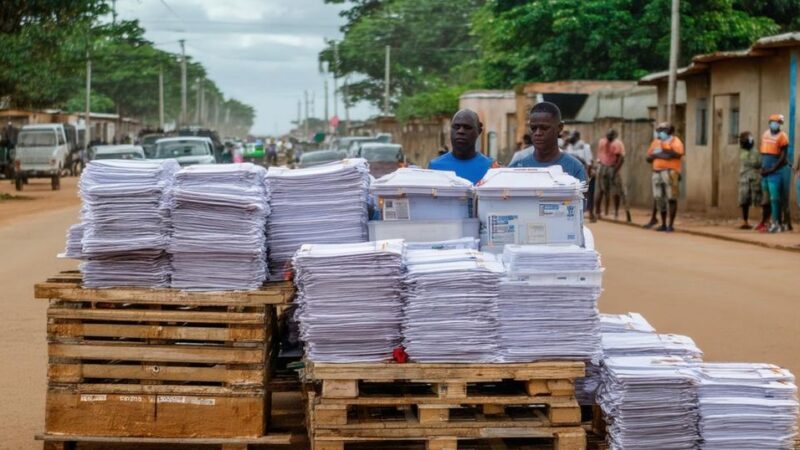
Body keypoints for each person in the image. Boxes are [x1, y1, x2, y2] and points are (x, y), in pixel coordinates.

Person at [509, 102, 587, 182]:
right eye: (533, 128)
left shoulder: (575, 168)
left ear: (560, 127)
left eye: (544, 128)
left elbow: (582, 194)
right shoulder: (517, 168)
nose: (538, 133)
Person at [428, 109, 498, 184]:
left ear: (479, 131)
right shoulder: (435, 167)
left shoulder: (492, 168)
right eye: (456, 127)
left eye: (467, 127)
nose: (460, 131)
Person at [645, 122, 684, 232]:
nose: (661, 132)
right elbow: (648, 157)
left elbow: (678, 154)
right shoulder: (655, 142)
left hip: (671, 172)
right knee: (659, 198)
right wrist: (658, 155)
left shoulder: (676, 142)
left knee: (671, 198)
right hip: (657, 172)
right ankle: (663, 223)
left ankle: (670, 224)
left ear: (670, 131)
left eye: (664, 130)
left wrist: (662, 151)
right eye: (660, 130)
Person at [759, 114, 791, 233]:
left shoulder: (783, 137)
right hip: (765, 171)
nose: (775, 124)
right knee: (767, 199)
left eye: (778, 122)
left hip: (775, 172)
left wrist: (772, 169)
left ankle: (777, 222)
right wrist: (762, 168)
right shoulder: (765, 134)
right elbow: (763, 152)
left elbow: (783, 157)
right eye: (773, 121)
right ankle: (767, 222)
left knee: (775, 199)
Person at [595, 129, 632, 222]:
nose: (609, 138)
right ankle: (597, 211)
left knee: (617, 191)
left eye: (611, 137)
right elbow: (599, 155)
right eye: (608, 136)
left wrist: (615, 171)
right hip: (603, 167)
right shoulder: (602, 142)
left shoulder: (617, 144)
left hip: (612, 168)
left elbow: (621, 158)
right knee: (601, 190)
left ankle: (617, 212)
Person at [737, 131, 766, 230]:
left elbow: (758, 164)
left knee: (758, 199)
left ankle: (762, 221)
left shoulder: (755, 152)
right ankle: (745, 221)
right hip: (744, 179)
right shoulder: (743, 152)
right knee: (744, 200)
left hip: (754, 179)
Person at [565, 131, 595, 220]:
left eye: (573, 137)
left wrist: (588, 177)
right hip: (571, 175)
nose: (571, 138)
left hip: (584, 173)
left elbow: (589, 163)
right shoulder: (570, 147)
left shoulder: (585, 147)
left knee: (588, 195)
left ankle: (591, 214)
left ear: (577, 137)